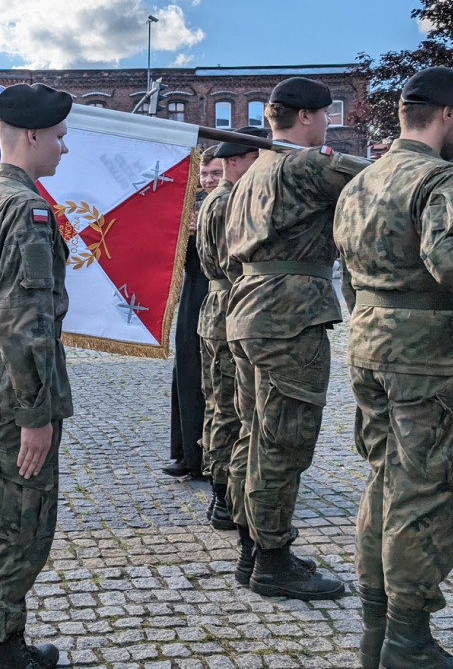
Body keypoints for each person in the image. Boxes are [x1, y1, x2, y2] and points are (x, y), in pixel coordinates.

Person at [333, 66, 453, 669]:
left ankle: (378, 630)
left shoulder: (360, 184)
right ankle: (408, 641)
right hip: (435, 364)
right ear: (447, 114)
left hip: (371, 348)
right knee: (431, 492)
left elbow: (347, 274)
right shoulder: (443, 179)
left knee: (388, 482)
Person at [224, 77, 370, 600]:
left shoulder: (248, 177)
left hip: (247, 310)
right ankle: (272, 560)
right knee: (283, 440)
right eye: (326, 115)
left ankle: (251, 549)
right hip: (289, 315)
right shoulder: (306, 165)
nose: (329, 123)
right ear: (306, 117)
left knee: (252, 432)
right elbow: (385, 182)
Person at [0, 83, 72, 669]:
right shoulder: (24, 208)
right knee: (21, 523)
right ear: (31, 135)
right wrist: (36, 415)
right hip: (12, 392)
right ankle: (4, 655)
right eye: (58, 135)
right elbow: (24, 321)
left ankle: (6, 637)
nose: (64, 146)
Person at [195, 129, 268, 532]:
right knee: (229, 407)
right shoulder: (231, 200)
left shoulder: (214, 199)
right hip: (230, 305)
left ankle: (221, 488)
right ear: (240, 160)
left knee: (218, 403)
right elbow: (236, 260)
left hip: (217, 306)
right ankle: (224, 496)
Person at [163, 149, 220, 479]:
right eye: (204, 174)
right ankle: (186, 452)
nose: (208, 180)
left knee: (214, 379)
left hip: (219, 295)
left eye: (215, 173)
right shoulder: (191, 209)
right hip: (192, 299)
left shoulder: (232, 206)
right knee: (185, 373)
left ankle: (211, 455)